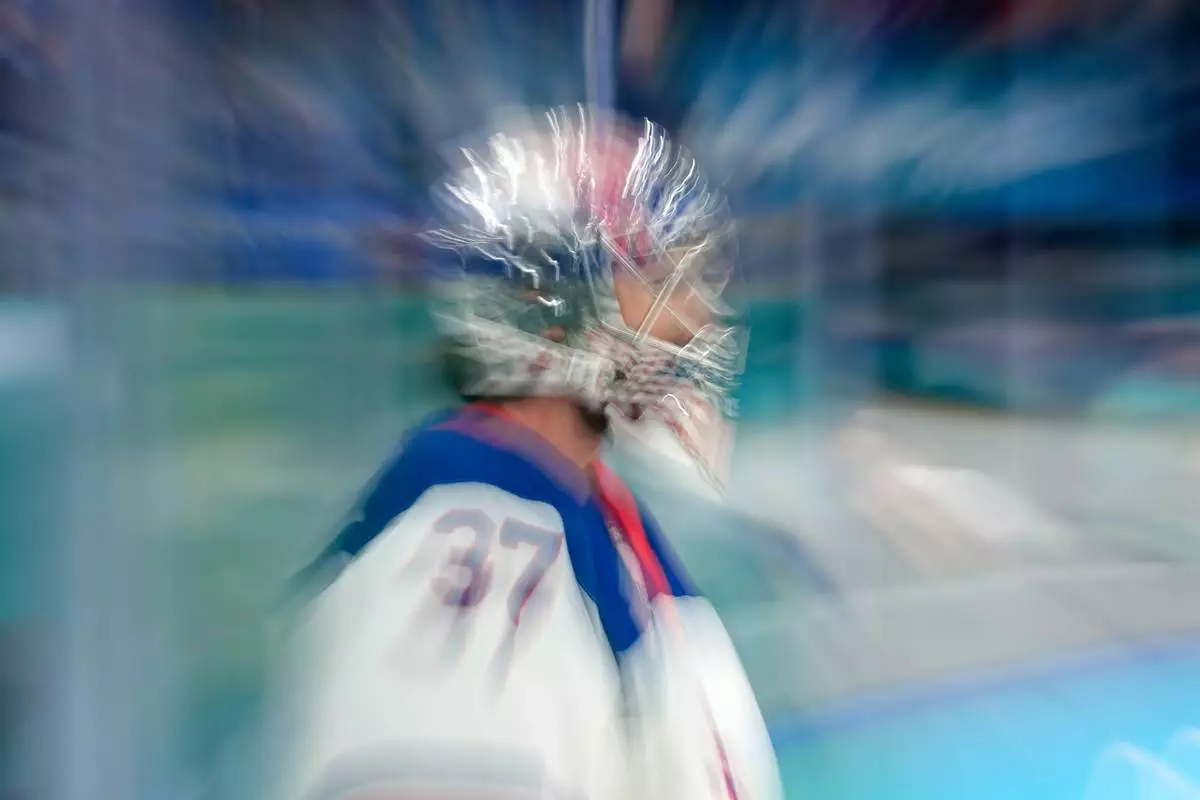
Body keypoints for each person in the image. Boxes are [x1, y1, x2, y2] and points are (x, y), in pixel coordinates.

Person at [270, 105, 783, 800]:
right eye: (661, 279)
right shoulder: (474, 535)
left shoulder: (575, 506)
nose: (695, 317)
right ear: (554, 304)